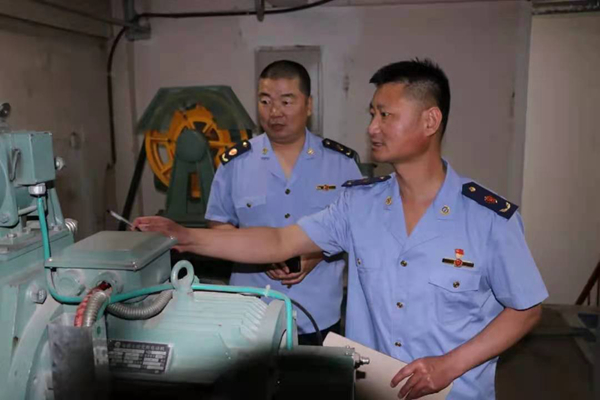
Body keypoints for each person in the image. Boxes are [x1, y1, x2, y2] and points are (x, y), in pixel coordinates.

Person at [134, 59, 547, 399]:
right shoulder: (359, 205)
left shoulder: (487, 218)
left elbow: (526, 309)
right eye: (372, 114)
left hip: (456, 391)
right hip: (376, 389)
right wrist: (188, 237)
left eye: (385, 115)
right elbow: (279, 239)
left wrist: (449, 366)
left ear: (430, 120)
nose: (372, 127)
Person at [205, 60, 362, 345]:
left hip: (318, 315)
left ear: (308, 105)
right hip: (250, 312)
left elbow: (357, 230)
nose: (274, 112)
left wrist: (316, 254)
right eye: (265, 101)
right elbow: (219, 226)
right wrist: (260, 253)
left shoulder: (342, 164)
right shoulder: (235, 163)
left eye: (286, 101)